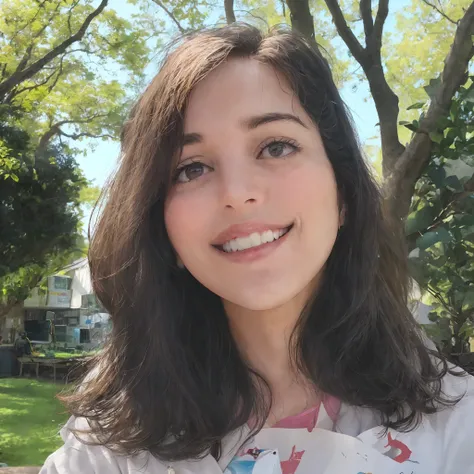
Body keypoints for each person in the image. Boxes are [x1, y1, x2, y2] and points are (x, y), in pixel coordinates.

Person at [41, 24, 474, 474]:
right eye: (191, 169)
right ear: (160, 226)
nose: (238, 192)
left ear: (343, 191)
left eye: (276, 146)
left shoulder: (456, 427)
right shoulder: (112, 440)